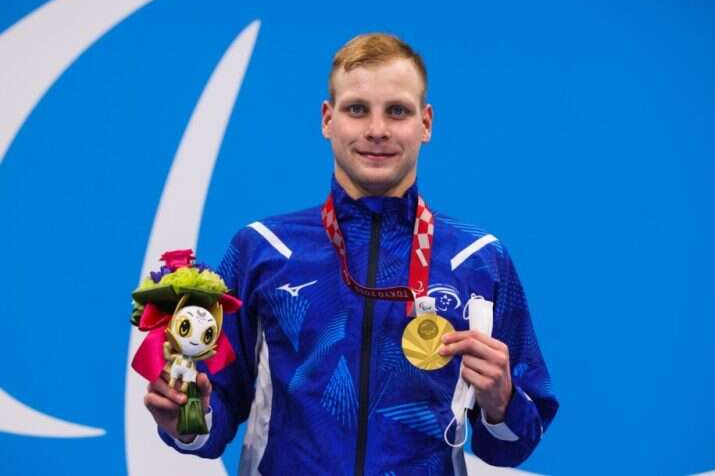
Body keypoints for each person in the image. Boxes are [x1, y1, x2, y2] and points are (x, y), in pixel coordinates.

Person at [144, 33, 558, 475]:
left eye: (397, 111)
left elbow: (513, 446)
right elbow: (216, 408)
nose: (376, 130)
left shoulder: (478, 260)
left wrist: (502, 402)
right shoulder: (262, 248)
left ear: (426, 123)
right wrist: (187, 419)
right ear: (328, 119)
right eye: (357, 109)